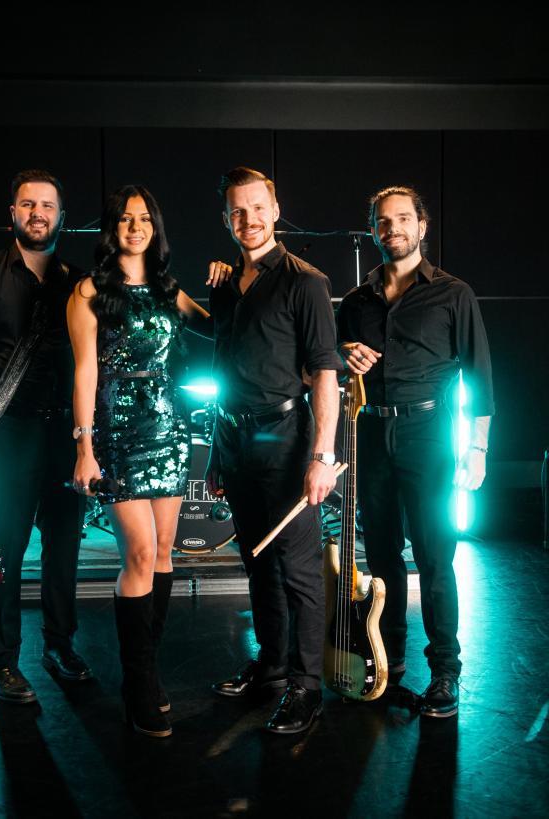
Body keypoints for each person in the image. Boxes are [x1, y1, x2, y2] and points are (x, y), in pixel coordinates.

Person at [67, 184, 224, 738]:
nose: (136, 227)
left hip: (168, 426)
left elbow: (212, 326)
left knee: (163, 554)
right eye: (126, 219)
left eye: (144, 219)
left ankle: (148, 672)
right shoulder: (89, 291)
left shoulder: (166, 288)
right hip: (116, 432)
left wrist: (233, 288)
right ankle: (138, 685)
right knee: (137, 551)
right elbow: (85, 372)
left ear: (154, 228)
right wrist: (84, 447)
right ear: (112, 229)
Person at [336, 185, 495, 718]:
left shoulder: (454, 294)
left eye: (403, 219)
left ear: (422, 227)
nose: (393, 229)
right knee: (381, 559)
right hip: (370, 438)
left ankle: (445, 672)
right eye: (383, 221)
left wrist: (477, 449)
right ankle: (389, 659)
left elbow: (480, 376)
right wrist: (342, 352)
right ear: (373, 231)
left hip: (429, 434)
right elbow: (328, 363)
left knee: (434, 558)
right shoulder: (356, 301)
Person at [0, 169, 92, 705]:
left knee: (64, 546)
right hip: (6, 434)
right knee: (2, 549)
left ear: (61, 218)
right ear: (12, 213)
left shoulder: (79, 280)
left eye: (47, 206)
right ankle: (2, 661)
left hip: (65, 434)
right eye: (27, 204)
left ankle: (60, 646)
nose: (37, 213)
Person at [206, 167, 342, 735]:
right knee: (257, 562)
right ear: (226, 219)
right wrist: (217, 454)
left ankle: (307, 689)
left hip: (287, 441)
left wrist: (321, 456)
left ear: (276, 208)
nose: (249, 220)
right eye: (237, 211)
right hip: (234, 439)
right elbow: (223, 370)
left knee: (299, 573)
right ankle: (271, 665)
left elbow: (326, 375)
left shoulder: (304, 281)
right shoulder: (223, 283)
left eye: (257, 208)